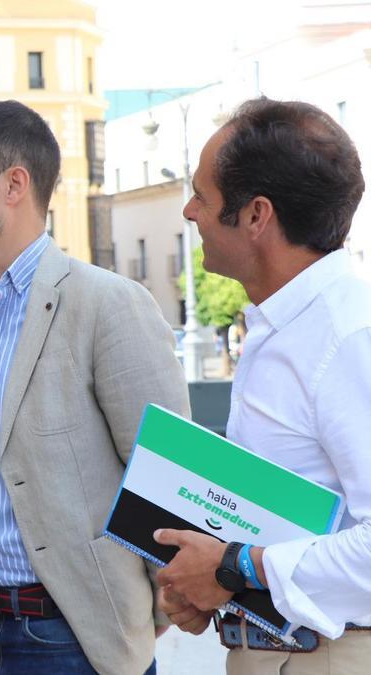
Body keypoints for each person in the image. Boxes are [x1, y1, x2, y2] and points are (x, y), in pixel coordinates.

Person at [0, 100, 189, 675]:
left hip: (70, 638)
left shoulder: (107, 303)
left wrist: (156, 602)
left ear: (14, 184)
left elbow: (165, 474)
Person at [154, 98, 371, 674]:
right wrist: (219, 586)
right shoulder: (285, 327)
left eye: (202, 195)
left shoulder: (349, 337)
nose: (188, 211)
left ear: (256, 216)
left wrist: (235, 568)